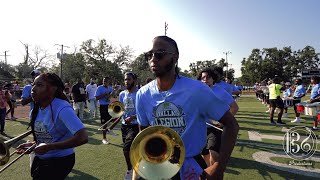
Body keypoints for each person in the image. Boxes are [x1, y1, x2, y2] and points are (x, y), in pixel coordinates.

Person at [135, 36, 239, 179]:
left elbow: (232, 124)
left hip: (190, 168)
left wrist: (219, 167)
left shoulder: (197, 90)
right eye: (149, 55)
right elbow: (145, 134)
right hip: (158, 166)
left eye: (159, 54)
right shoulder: (142, 94)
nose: (153, 58)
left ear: (175, 57)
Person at [16, 73, 88, 179]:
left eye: (39, 85)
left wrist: (50, 147)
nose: (33, 89)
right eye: (33, 85)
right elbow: (46, 137)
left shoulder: (62, 108)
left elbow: (83, 137)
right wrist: (32, 145)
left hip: (61, 160)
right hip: (41, 159)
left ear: (53, 89)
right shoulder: (35, 110)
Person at [197, 68, 239, 167]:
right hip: (200, 128)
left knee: (214, 153)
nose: (205, 79)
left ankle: (213, 173)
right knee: (204, 154)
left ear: (213, 79)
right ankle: (208, 172)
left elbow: (235, 107)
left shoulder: (220, 91)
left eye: (208, 77)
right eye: (203, 78)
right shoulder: (196, 92)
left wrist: (222, 122)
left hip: (215, 129)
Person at [118, 72, 140, 180]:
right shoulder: (122, 94)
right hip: (124, 125)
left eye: (129, 79)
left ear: (134, 81)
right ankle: (137, 168)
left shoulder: (139, 93)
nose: (126, 81)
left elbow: (143, 111)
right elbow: (122, 108)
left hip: (135, 125)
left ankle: (130, 169)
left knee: (126, 149)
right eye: (125, 79)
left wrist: (132, 117)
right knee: (130, 149)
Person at [95, 77, 118, 144]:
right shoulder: (99, 88)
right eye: (103, 81)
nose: (104, 82)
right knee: (104, 123)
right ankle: (104, 138)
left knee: (115, 118)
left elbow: (111, 97)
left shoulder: (110, 88)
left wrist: (115, 90)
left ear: (108, 82)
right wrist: (104, 94)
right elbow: (96, 98)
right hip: (103, 106)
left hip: (109, 106)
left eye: (106, 81)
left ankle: (110, 129)